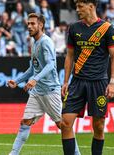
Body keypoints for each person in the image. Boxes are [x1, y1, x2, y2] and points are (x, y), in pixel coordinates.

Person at [6, 13, 80, 155]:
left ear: (41, 25)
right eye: (28, 24)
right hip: (37, 92)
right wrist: (17, 81)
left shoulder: (46, 42)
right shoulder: (35, 42)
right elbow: (33, 68)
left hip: (50, 91)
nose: (29, 26)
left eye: (33, 23)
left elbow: (51, 64)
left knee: (64, 126)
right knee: (25, 122)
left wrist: (35, 79)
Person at [61, 0, 114, 155]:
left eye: (80, 6)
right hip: (77, 82)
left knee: (99, 126)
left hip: (99, 82)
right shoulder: (74, 28)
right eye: (77, 6)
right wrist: (65, 81)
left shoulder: (107, 29)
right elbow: (69, 57)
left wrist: (113, 82)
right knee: (65, 123)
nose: (77, 10)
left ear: (91, 6)